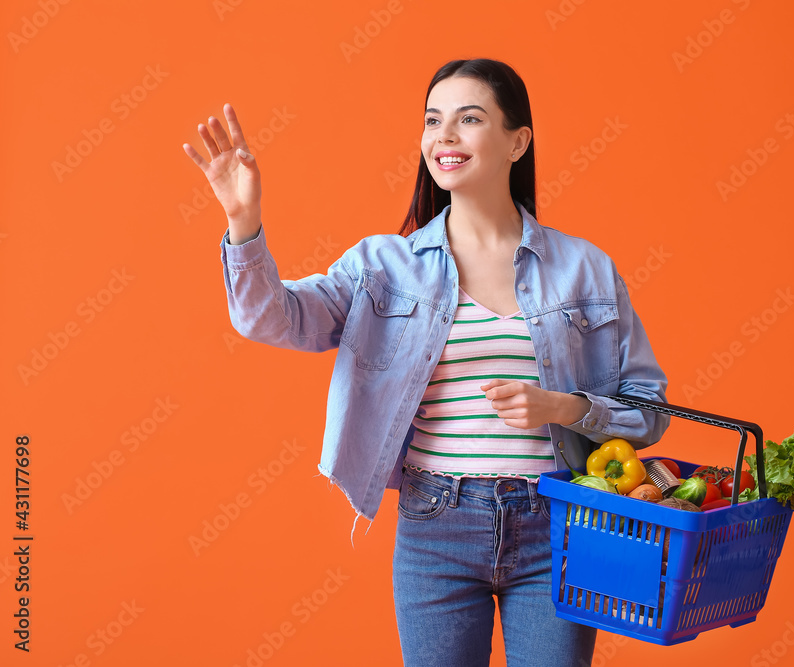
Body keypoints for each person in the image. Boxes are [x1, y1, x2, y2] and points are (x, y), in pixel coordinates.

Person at [183, 58, 669, 667]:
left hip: (558, 525)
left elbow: (649, 409)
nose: (444, 136)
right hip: (436, 525)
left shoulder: (585, 268)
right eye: (433, 120)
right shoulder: (384, 266)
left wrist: (564, 407)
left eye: (469, 119)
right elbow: (272, 318)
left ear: (518, 141)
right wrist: (243, 221)